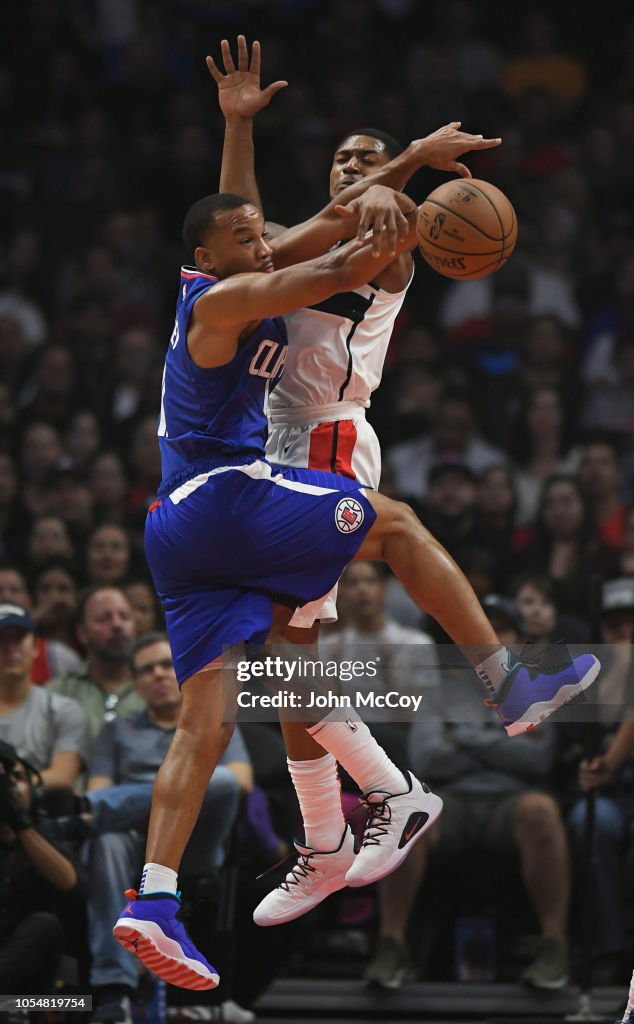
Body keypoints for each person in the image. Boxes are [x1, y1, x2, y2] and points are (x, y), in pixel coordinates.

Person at [111, 183, 599, 992]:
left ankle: (156, 897)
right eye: (241, 236)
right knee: (401, 527)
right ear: (203, 257)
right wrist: (395, 222)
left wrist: (368, 170)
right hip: (234, 492)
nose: (261, 241)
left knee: (209, 719)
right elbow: (322, 260)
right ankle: (503, 687)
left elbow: (285, 227)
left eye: (258, 232)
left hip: (179, 528)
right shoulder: (222, 295)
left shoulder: (237, 268)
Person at [208, 35, 510, 934]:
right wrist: (238, 130)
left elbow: (301, 236)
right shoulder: (311, 235)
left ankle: (383, 798)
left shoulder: (395, 232)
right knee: (284, 666)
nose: (355, 170)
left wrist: (410, 162)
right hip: (276, 444)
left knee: (280, 662)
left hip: (330, 444)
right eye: (345, 159)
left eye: (369, 159)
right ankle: (331, 838)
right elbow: (241, 236)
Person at [87, 633, 251, 1024]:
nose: (158, 674)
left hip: (196, 838)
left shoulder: (215, 716)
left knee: (223, 783)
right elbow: (97, 790)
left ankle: (66, 823)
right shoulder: (117, 731)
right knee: (107, 838)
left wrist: (167, 796)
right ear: (134, 683)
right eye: (146, 669)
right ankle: (114, 993)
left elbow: (241, 781)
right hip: (132, 843)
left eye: (166, 664)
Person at [0, 739, 80, 998]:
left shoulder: (49, 841)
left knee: (43, 924)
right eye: (5, 780)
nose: (10, 785)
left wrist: (16, 820)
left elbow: (71, 883)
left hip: (26, 997)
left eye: (17, 778)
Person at [0, 603, 89, 791]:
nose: (10, 648)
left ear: (35, 648)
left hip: (41, 815)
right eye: (1, 640)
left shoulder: (63, 710)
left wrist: (7, 789)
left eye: (18, 639)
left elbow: (63, 776)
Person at [48, 585, 144, 747]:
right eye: (104, 619)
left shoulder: (158, 685)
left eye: (125, 617)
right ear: (82, 634)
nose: (117, 625)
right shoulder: (57, 693)